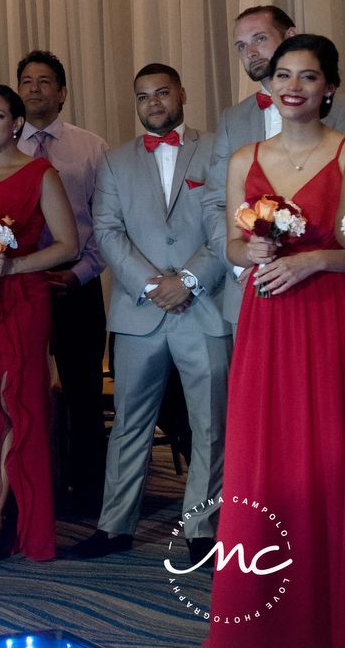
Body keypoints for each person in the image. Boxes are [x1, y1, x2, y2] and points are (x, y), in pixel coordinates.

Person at [205, 35, 345, 647]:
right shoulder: (243, 159)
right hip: (266, 323)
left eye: (308, 76)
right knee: (263, 459)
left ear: (329, 88)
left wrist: (314, 259)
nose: (293, 86)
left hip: (328, 318)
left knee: (328, 456)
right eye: (284, 74)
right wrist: (250, 249)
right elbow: (231, 245)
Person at [78, 64, 230, 563]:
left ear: (182, 93)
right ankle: (114, 525)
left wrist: (185, 280)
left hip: (203, 306)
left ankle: (202, 529)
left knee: (210, 424)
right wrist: (152, 284)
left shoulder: (216, 149)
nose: (153, 104)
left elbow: (227, 223)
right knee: (128, 422)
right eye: (143, 97)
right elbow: (107, 230)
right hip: (139, 312)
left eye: (162, 93)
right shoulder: (115, 160)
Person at [0, 84, 78, 566]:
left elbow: (67, 245)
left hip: (21, 298)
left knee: (15, 404)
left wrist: (14, 267)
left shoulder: (40, 172)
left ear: (17, 123)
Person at [202, 6, 345, 330]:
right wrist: (246, 263)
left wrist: (317, 260)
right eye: (241, 45)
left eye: (259, 39)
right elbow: (216, 205)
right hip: (256, 294)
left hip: (330, 301)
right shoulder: (233, 126)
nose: (249, 52)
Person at [15, 50, 109, 516]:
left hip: (76, 286)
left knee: (83, 393)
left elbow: (107, 225)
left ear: (62, 93)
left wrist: (75, 275)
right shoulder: (0, 145)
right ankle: (30, 493)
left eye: (45, 81)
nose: (34, 88)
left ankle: (91, 495)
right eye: (27, 81)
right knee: (21, 392)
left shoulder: (91, 147)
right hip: (16, 289)